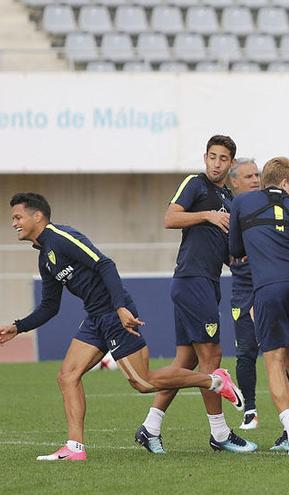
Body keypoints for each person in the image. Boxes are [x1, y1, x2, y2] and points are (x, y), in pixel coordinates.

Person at [0, 193, 245, 461]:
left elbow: (104, 263)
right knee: (67, 376)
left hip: (115, 312)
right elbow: (50, 306)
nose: (14, 223)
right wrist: (18, 327)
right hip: (96, 317)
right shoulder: (45, 257)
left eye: (17, 217)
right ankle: (74, 447)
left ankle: (215, 380)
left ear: (38, 216)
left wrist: (119, 307)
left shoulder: (60, 236)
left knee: (142, 382)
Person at [137, 135, 256, 454]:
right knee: (211, 359)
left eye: (223, 158)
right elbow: (169, 218)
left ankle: (150, 427)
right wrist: (207, 215)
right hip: (192, 280)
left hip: (206, 282)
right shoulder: (196, 184)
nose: (217, 163)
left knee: (186, 361)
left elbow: (228, 252)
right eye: (212, 157)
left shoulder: (228, 199)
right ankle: (219, 434)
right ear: (205, 158)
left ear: (231, 163)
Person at [228, 157, 289, 455]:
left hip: (270, 287)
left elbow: (236, 250)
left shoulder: (241, 203)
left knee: (274, 360)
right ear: (285, 181)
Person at [227, 157, 262, 430]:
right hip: (243, 290)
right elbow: (230, 251)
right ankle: (250, 410)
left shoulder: (270, 206)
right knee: (246, 352)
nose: (255, 180)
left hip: (270, 286)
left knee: (285, 354)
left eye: (257, 175)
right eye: (249, 176)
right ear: (234, 183)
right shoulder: (228, 211)